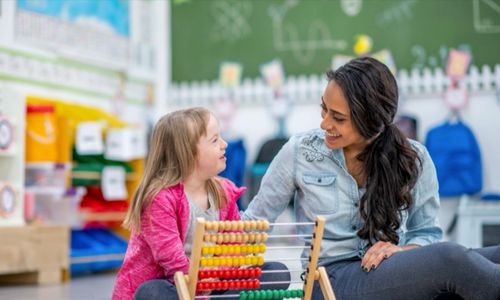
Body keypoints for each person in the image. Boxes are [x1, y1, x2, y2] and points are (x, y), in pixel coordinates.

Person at [242, 57, 500, 300]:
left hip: (386, 271)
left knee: (493, 256)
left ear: (373, 122)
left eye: (338, 118)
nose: (325, 124)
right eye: (324, 109)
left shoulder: (414, 157)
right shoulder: (300, 152)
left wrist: (401, 251)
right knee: (451, 259)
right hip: (328, 280)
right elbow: (255, 221)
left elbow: (426, 234)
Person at [112, 107, 290, 300]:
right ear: (187, 153)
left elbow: (234, 246)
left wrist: (213, 276)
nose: (224, 144)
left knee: (276, 273)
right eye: (214, 140)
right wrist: (202, 285)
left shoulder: (224, 192)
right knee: (151, 292)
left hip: (211, 285)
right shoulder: (160, 199)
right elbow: (174, 263)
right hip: (174, 285)